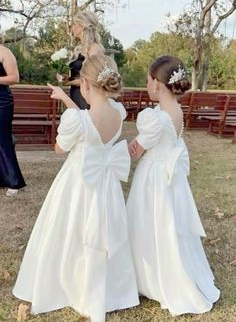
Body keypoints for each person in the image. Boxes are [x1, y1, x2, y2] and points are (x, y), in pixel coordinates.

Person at [13, 54, 139, 322]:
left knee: (71, 229)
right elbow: (86, 118)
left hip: (78, 184)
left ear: (84, 84)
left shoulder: (77, 121)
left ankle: (66, 284)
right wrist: (65, 99)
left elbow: (61, 147)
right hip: (106, 187)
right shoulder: (118, 112)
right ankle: (108, 287)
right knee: (102, 231)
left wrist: (66, 119)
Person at [126, 55, 220, 316]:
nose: (146, 85)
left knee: (152, 222)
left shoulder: (156, 118)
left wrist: (129, 146)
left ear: (157, 84)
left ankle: (151, 276)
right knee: (170, 224)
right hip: (170, 178)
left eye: (147, 80)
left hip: (155, 177)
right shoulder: (174, 111)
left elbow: (137, 150)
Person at [57, 10, 104, 109]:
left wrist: (70, 82)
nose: (72, 28)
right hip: (75, 93)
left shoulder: (94, 48)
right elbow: (78, 74)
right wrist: (67, 78)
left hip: (86, 96)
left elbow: (92, 79)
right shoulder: (79, 48)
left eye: (74, 24)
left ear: (82, 26)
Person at [0, 39, 26, 197]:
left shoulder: (5, 52)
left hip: (2, 102)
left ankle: (14, 181)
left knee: (3, 140)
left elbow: (14, 78)